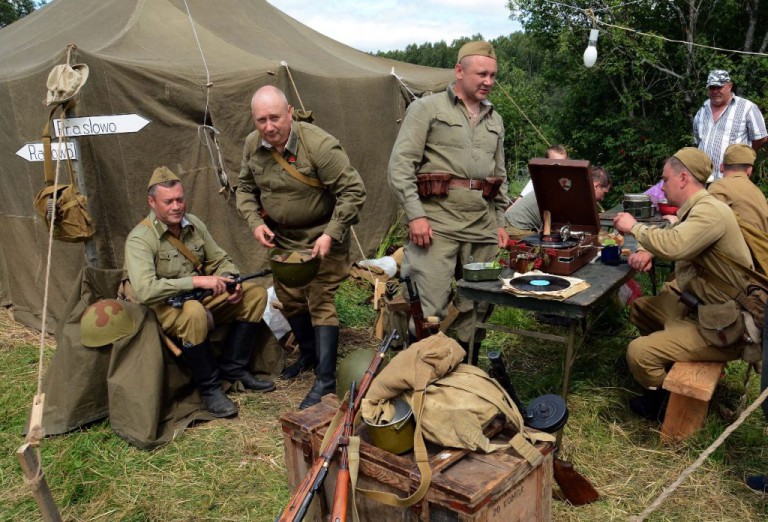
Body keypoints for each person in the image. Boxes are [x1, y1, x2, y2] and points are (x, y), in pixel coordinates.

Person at [236, 86, 366, 409]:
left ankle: (325, 382)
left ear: (290, 112)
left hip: (324, 235)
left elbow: (354, 191)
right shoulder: (253, 146)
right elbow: (243, 188)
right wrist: (255, 222)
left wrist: (331, 234)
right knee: (289, 298)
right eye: (261, 120)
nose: (269, 126)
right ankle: (308, 354)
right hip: (284, 240)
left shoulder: (318, 145)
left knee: (320, 298)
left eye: (275, 118)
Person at [387, 40, 509, 364]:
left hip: (481, 226)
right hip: (436, 222)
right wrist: (415, 215)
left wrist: (500, 223)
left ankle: (466, 374)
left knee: (479, 304)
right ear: (459, 71)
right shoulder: (427, 109)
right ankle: (417, 376)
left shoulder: (495, 119)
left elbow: (500, 175)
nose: (489, 81)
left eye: (493, 75)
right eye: (482, 74)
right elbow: (400, 167)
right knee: (427, 306)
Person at [613, 148, 753, 420]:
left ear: (683, 178)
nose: (662, 186)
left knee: (638, 353)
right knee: (642, 308)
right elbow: (681, 243)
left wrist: (635, 228)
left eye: (665, 179)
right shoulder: (700, 208)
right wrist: (651, 250)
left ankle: (661, 401)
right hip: (701, 307)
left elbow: (676, 244)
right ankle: (668, 356)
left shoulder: (709, 211)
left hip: (723, 322)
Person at [125, 167, 275, 419]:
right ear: (152, 202)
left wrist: (230, 281)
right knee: (194, 312)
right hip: (163, 307)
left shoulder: (193, 224)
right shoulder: (140, 239)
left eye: (180, 199)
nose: (176, 206)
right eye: (168, 201)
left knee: (255, 294)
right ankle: (210, 388)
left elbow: (220, 259)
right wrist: (196, 281)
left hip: (199, 297)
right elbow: (146, 290)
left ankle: (234, 369)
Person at [693, 69, 768, 181]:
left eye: (719, 87)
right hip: (704, 179)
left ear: (729, 86)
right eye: (712, 88)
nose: (715, 91)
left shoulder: (747, 107)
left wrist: (746, 157)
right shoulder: (703, 109)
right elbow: (698, 140)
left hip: (733, 178)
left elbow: (761, 138)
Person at [505, 165, 611, 238]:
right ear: (596, 185)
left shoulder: (574, 186)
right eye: (604, 193)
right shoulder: (575, 191)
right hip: (515, 226)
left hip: (516, 223)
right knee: (546, 254)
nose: (602, 199)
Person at [707, 143, 768, 234]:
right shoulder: (759, 193)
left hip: (739, 247)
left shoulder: (719, 187)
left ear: (721, 167)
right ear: (749, 170)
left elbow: (706, 224)